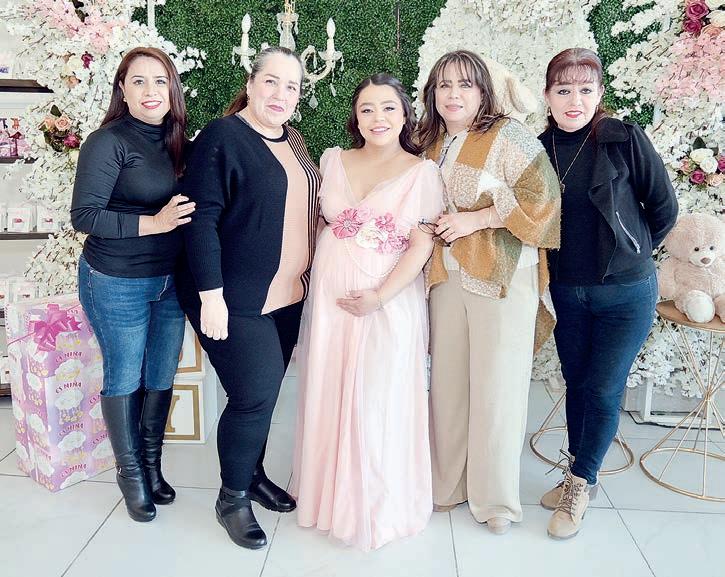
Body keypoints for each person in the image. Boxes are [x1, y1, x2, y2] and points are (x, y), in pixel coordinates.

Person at [291, 73, 444, 551]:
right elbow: (315, 223)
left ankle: (377, 506)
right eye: (367, 109)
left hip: (389, 302)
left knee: (379, 396)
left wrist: (380, 295)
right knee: (330, 388)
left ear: (406, 115)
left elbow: (421, 244)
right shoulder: (332, 160)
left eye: (388, 108)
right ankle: (326, 499)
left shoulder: (422, 173)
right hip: (331, 301)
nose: (378, 118)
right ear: (355, 118)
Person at [175, 47, 321, 550]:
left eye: (292, 86)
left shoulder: (294, 140)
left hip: (287, 294)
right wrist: (211, 296)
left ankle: (252, 475)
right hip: (233, 296)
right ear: (252, 83)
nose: (281, 94)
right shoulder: (223, 137)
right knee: (253, 394)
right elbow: (200, 219)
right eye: (271, 82)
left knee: (267, 393)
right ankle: (232, 498)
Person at [418, 50, 561, 535]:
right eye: (443, 85)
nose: (453, 94)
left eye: (465, 84)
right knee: (448, 384)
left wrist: (477, 219)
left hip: (502, 275)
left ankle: (496, 500)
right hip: (446, 275)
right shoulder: (430, 140)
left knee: (498, 388)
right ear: (432, 93)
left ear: (483, 91)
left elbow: (544, 200)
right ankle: (447, 484)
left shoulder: (508, 135)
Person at [538, 48, 678, 539]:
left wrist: (631, 253)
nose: (574, 100)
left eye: (585, 89)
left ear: (599, 94)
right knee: (577, 383)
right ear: (548, 95)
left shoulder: (622, 138)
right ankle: (578, 472)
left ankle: (581, 482)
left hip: (626, 294)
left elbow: (663, 207)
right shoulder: (539, 148)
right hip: (567, 292)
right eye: (563, 90)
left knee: (602, 386)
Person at [71, 47, 194, 522]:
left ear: (172, 89)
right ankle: (130, 474)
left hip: (170, 281)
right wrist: (154, 223)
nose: (150, 91)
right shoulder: (108, 142)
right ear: (122, 89)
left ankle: (151, 465)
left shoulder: (180, 140)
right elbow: (85, 216)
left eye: (160, 81)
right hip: (116, 279)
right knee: (125, 375)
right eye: (138, 81)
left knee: (161, 374)